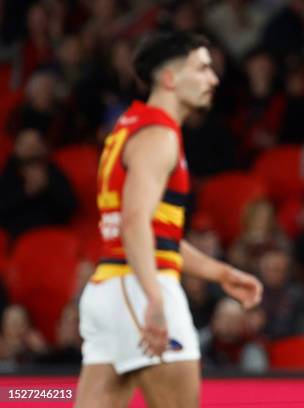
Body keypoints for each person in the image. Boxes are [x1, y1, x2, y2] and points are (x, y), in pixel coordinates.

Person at [75, 32, 263, 408]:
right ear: (170, 79)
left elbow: (156, 234)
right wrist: (156, 299)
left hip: (112, 290)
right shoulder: (159, 134)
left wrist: (221, 273)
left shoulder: (131, 126)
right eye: (203, 68)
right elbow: (134, 224)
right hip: (140, 286)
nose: (213, 79)